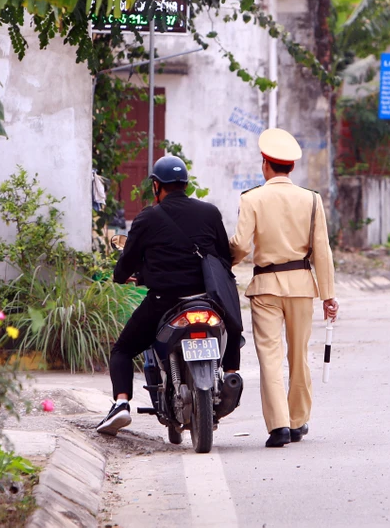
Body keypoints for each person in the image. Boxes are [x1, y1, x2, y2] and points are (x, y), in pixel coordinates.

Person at [97, 155, 240, 436]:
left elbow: (126, 263)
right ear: (185, 184)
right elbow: (224, 257)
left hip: (165, 302)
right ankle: (232, 374)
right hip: (207, 300)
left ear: (155, 186)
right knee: (233, 324)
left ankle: (121, 404)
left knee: (122, 350)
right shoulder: (210, 213)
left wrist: (126, 275)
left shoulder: (147, 218)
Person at [229, 128, 339, 448]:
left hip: (265, 286)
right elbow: (322, 251)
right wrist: (328, 295)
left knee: (269, 356)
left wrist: (227, 262)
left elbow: (240, 244)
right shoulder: (312, 200)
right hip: (303, 286)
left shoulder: (251, 198)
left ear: (265, 164)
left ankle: (278, 427)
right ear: (291, 167)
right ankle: (297, 421)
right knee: (299, 356)